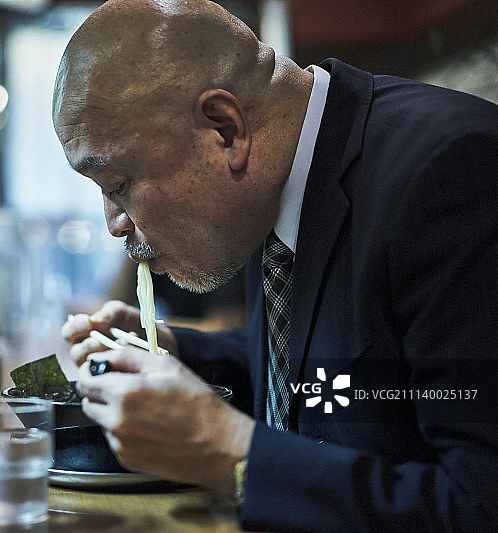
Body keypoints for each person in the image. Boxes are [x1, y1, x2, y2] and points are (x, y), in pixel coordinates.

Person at [53, 0, 498, 531]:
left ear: (224, 129)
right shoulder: (276, 185)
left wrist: (229, 451)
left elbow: (479, 504)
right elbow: (350, 371)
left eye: (118, 185)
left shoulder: (451, 171)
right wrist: (175, 352)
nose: (114, 223)